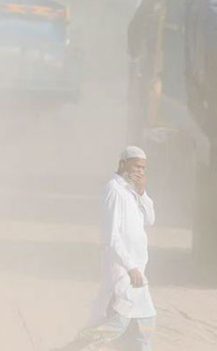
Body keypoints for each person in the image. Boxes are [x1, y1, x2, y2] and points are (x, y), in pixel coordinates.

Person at [56, 146, 156, 351]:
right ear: (122, 164)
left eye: (143, 168)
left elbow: (151, 219)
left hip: (138, 276)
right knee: (114, 326)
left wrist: (142, 192)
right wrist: (130, 267)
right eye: (136, 166)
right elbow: (111, 237)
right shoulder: (113, 190)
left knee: (145, 329)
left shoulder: (131, 192)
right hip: (123, 272)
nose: (140, 171)